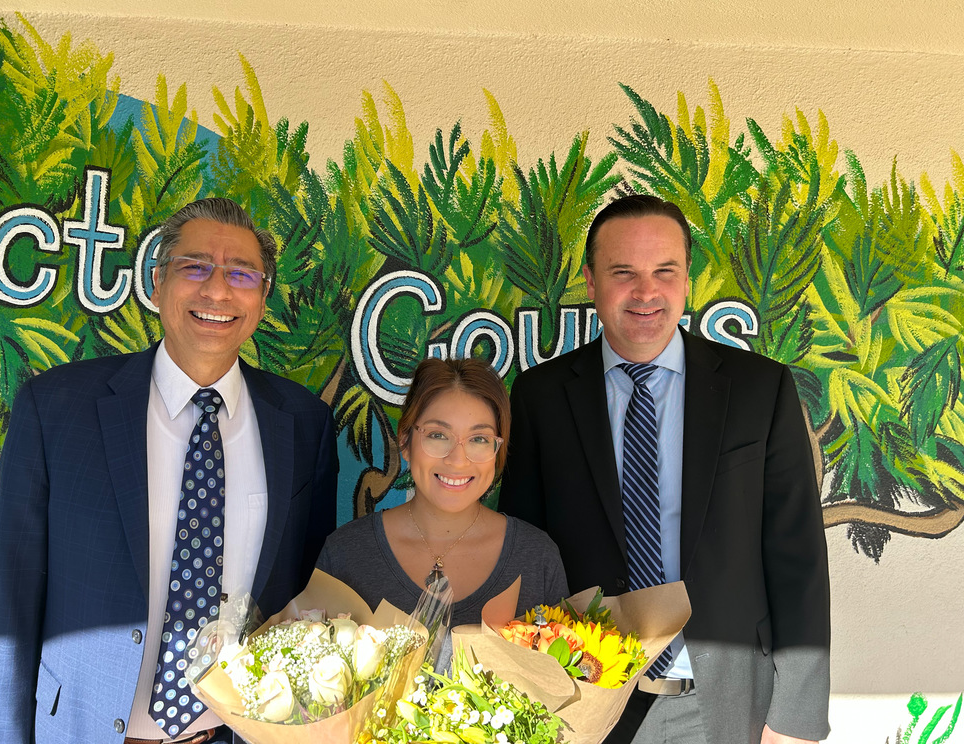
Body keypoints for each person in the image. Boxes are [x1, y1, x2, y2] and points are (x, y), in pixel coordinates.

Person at [0, 198, 338, 744]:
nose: (218, 291)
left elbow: (307, 597)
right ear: (158, 282)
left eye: (241, 274)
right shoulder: (56, 409)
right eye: (196, 267)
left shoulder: (304, 424)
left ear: (261, 301)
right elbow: (8, 605)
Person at [499, 195, 830, 744]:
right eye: (623, 272)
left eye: (664, 272)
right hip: (587, 703)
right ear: (590, 281)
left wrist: (795, 717)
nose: (646, 292)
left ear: (687, 280)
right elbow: (526, 558)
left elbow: (798, 557)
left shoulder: (759, 389)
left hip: (731, 704)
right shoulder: (540, 397)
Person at [317, 357, 568, 633]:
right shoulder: (344, 555)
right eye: (438, 435)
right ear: (405, 440)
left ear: (498, 450)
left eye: (479, 439)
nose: (457, 460)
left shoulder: (537, 558)